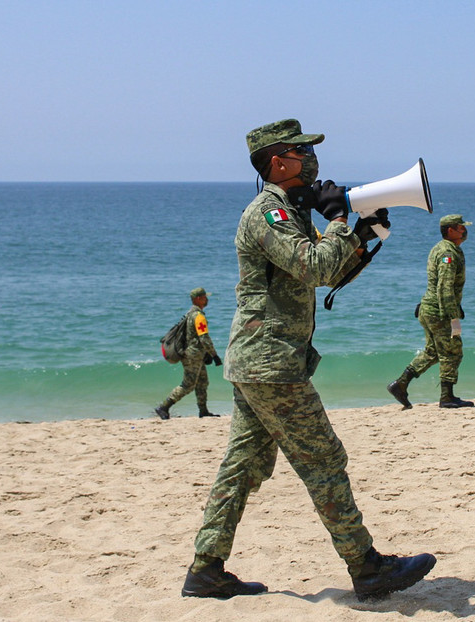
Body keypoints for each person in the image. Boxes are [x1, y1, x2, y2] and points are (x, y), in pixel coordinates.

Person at [181, 119, 435, 602]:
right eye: (302, 153)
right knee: (323, 460)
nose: (312, 161)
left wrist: (360, 236)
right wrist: (338, 219)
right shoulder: (268, 213)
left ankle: (206, 569)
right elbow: (314, 266)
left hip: (262, 360)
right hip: (270, 362)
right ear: (278, 162)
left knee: (243, 465)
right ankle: (366, 567)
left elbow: (328, 272)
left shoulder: (289, 214)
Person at [387, 214, 475, 409]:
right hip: (438, 311)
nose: (464, 230)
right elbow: (444, 286)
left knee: (433, 352)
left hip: (429, 309)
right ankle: (447, 397)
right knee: (452, 351)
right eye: (461, 227)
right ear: (450, 230)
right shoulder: (447, 252)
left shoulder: (442, 248)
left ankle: (400, 384)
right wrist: (452, 316)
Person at [155, 288, 222, 420]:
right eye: (204, 297)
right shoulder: (198, 316)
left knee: (202, 382)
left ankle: (203, 411)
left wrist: (206, 353)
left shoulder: (190, 314)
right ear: (198, 299)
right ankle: (164, 407)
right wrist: (214, 355)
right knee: (188, 384)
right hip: (193, 355)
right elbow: (204, 337)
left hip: (195, 353)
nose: (207, 299)